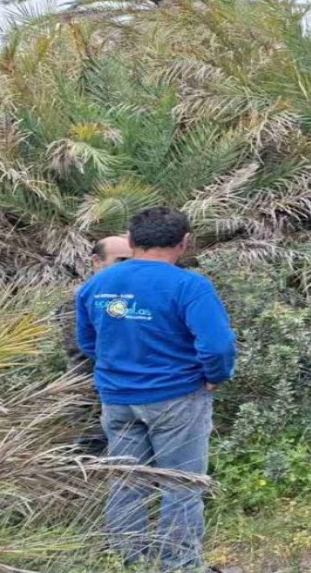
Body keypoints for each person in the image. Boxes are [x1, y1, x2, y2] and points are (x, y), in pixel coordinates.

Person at [76, 207, 237, 572]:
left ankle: (124, 560)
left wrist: (123, 365)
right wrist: (216, 375)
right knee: (182, 484)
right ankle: (180, 564)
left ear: (131, 241)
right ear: (184, 242)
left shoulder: (97, 284)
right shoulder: (189, 285)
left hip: (117, 399)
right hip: (177, 398)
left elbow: (88, 342)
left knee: (126, 480)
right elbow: (218, 345)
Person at [55, 234, 134, 454]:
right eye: (121, 260)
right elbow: (80, 346)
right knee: (89, 452)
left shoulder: (133, 294)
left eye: (132, 260)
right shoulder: (79, 297)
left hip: (126, 389)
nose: (127, 267)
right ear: (97, 261)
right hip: (89, 390)